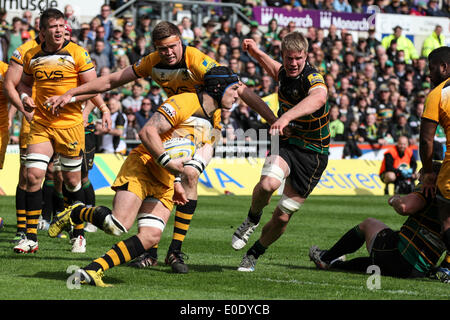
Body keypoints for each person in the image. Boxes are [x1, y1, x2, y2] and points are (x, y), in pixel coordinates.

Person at [45, 21, 277, 273]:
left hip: (208, 128)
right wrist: (73, 93)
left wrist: (275, 121)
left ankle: (175, 251)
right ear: (156, 48)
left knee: (189, 173)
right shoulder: (152, 61)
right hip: (175, 123)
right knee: (167, 176)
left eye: (173, 46)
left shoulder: (197, 61)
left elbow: (240, 90)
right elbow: (110, 81)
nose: (168, 53)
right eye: (162, 48)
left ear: (181, 41)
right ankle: (149, 249)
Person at [48, 66, 240, 287]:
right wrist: (169, 163)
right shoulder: (184, 102)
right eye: (234, 89)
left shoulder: (215, 116)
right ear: (217, 87)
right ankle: (76, 211)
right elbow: (147, 131)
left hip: (166, 178)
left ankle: (94, 270)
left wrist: (182, 175)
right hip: (144, 166)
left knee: (150, 237)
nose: (237, 95)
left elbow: (210, 143)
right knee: (116, 225)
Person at [12, 8, 110, 254]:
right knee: (33, 175)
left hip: (70, 125)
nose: (59, 30)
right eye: (53, 27)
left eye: (61, 26)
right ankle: (31, 237)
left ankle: (77, 234)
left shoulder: (77, 53)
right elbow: (23, 83)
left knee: (71, 181)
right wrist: (25, 96)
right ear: (42, 32)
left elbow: (94, 88)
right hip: (42, 124)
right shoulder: (31, 55)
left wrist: (69, 97)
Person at [232, 32, 329, 272]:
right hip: (287, 143)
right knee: (267, 184)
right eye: (288, 58)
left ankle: (254, 253)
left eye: (298, 58)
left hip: (314, 154)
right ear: (283, 56)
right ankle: (252, 219)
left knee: (283, 215)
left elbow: (318, 99)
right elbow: (275, 69)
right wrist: (256, 53)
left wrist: (284, 117)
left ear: (306, 56)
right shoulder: (285, 71)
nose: (293, 63)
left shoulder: (313, 78)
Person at [309, 162, 449, 281]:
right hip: (418, 270)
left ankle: (325, 258)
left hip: (399, 256)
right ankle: (335, 264)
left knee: (369, 224)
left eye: (420, 179)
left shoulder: (429, 188)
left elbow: (405, 207)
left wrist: (394, 200)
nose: (419, 182)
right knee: (375, 263)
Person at [419, 46, 450, 273]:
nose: (429, 74)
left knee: (447, 221)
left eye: (431, 69)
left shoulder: (438, 94)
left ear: (444, 67)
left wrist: (428, 173)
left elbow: (427, 140)